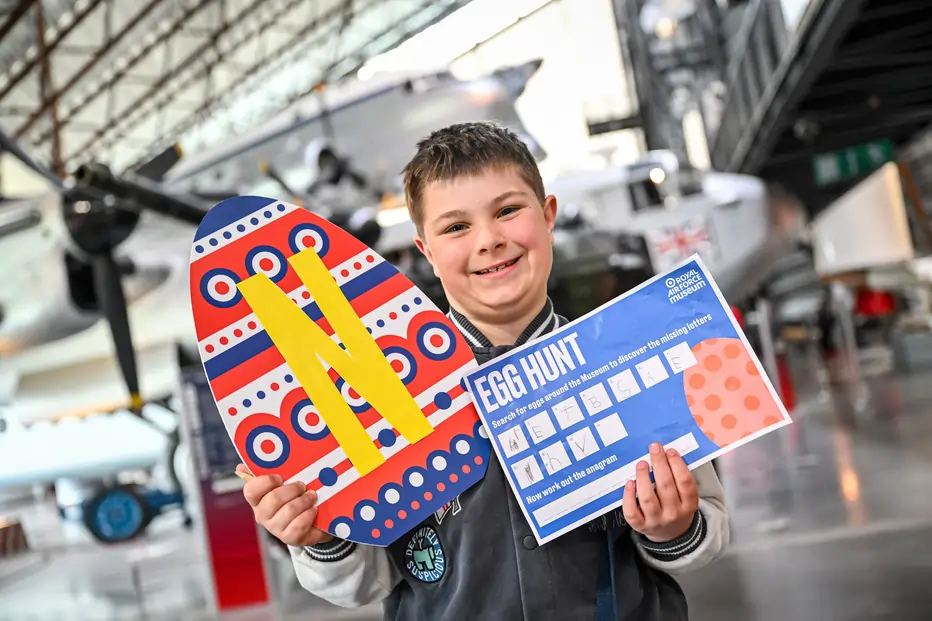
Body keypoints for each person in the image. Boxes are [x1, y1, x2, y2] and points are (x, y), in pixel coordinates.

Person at [238, 121, 730, 620]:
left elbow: (706, 530)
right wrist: (321, 536)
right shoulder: (374, 399)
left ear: (548, 215)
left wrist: (675, 527)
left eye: (508, 210)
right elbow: (363, 581)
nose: (490, 240)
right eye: (456, 227)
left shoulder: (632, 363)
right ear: (426, 251)